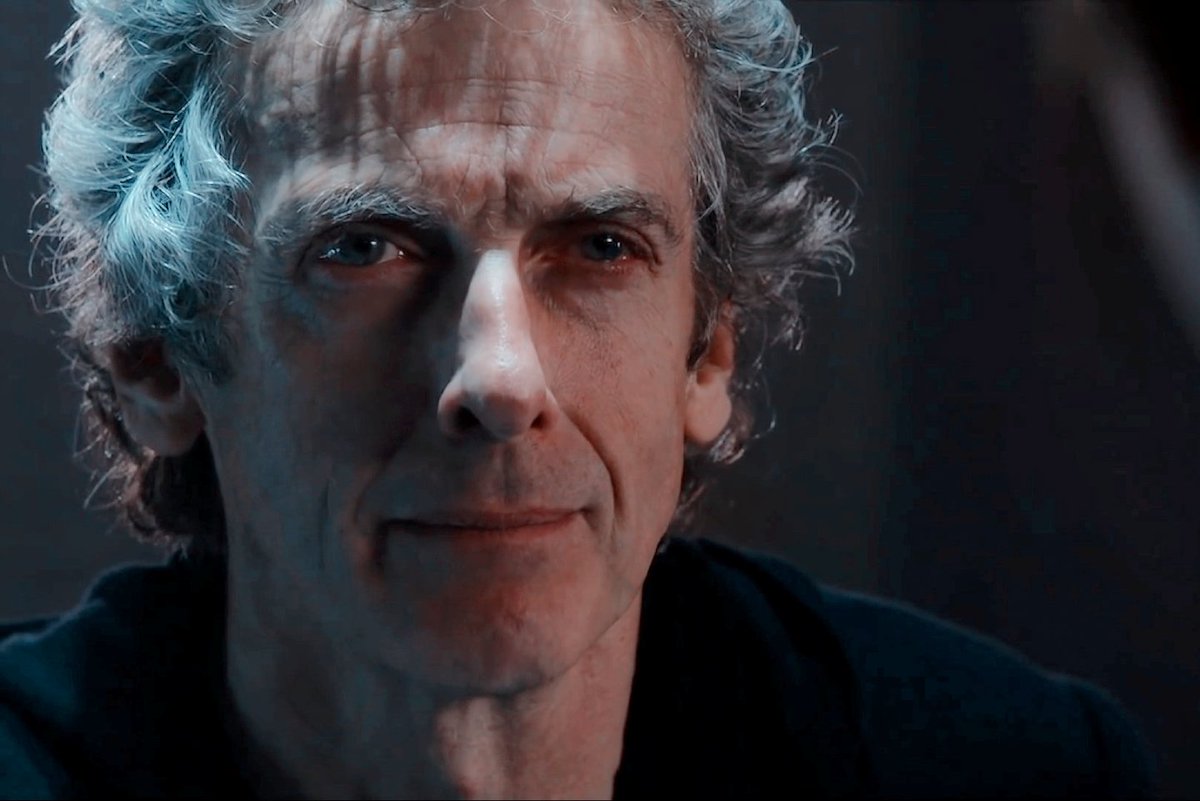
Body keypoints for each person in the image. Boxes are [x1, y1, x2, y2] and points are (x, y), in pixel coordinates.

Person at [0, 0, 1154, 797]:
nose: (502, 381)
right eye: (364, 249)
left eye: (601, 247)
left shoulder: (1011, 771)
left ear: (708, 352)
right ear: (157, 362)